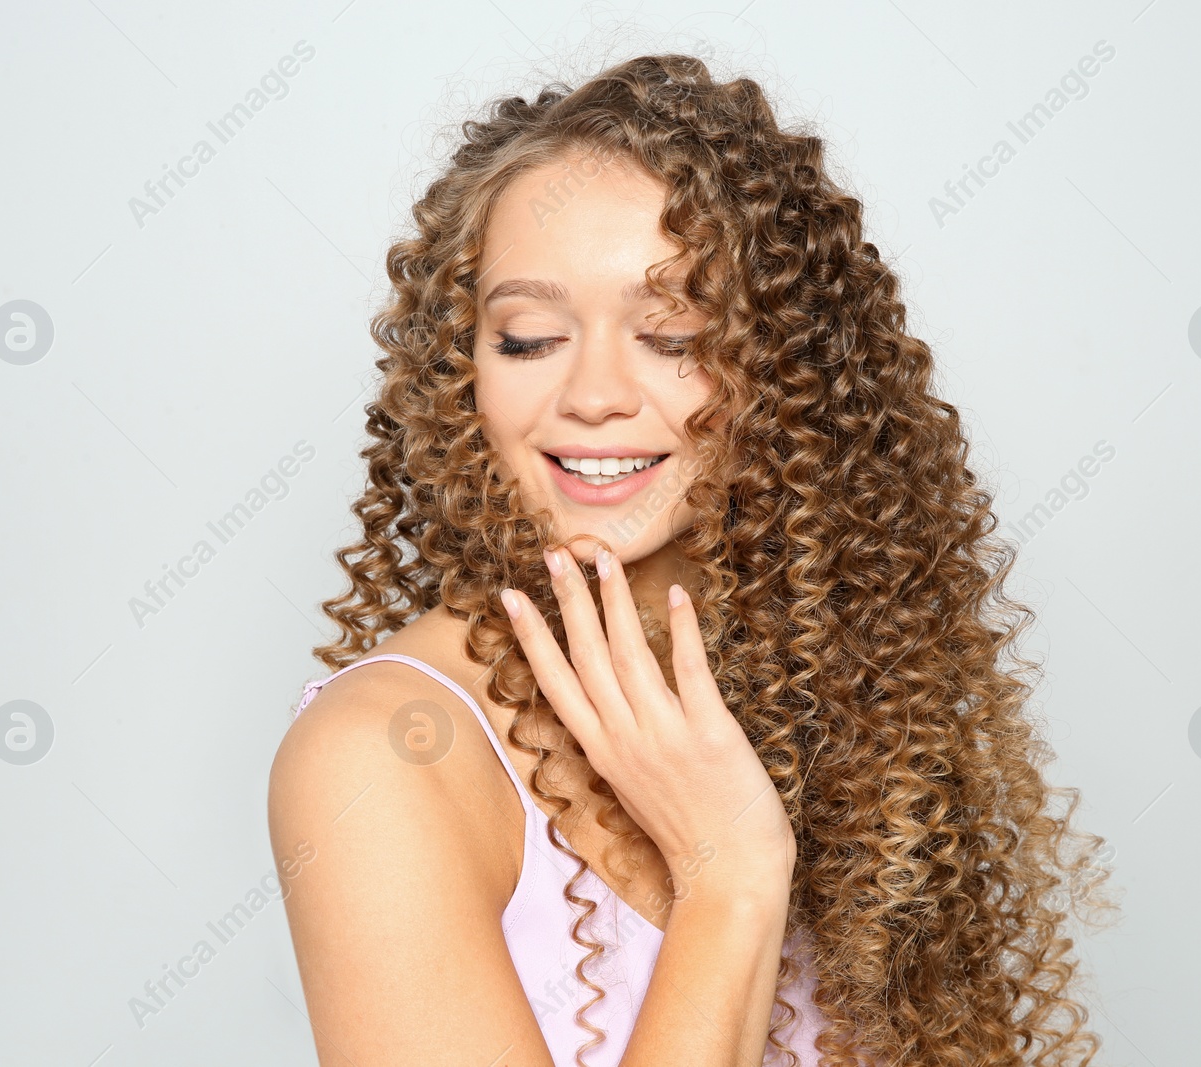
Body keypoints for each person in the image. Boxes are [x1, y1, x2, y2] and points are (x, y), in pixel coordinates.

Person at [268, 52, 1116, 1067]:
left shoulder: (842, 703)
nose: (591, 394)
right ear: (463, 374)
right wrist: (730, 875)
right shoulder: (380, 755)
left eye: (669, 331)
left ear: (789, 374)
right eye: (529, 336)